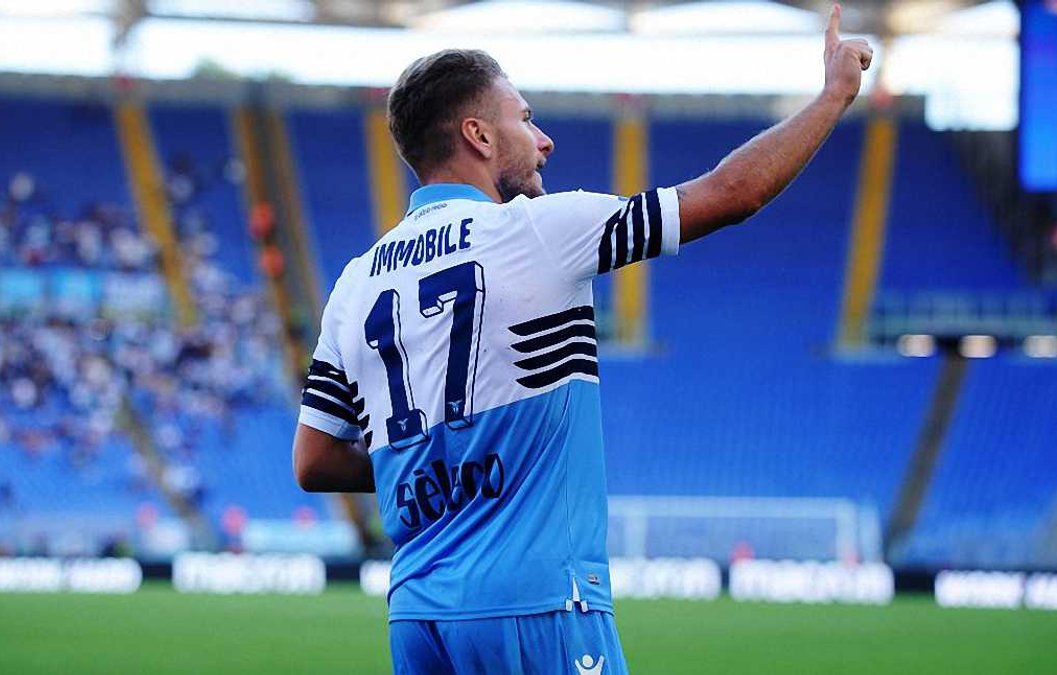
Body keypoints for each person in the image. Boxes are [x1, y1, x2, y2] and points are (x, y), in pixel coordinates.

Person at [292, 5, 871, 673]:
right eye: (525, 119)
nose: (544, 141)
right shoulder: (540, 230)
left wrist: (432, 467)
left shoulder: (355, 283)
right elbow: (733, 193)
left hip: (418, 616)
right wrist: (834, 95)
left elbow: (314, 461)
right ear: (478, 134)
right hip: (539, 601)